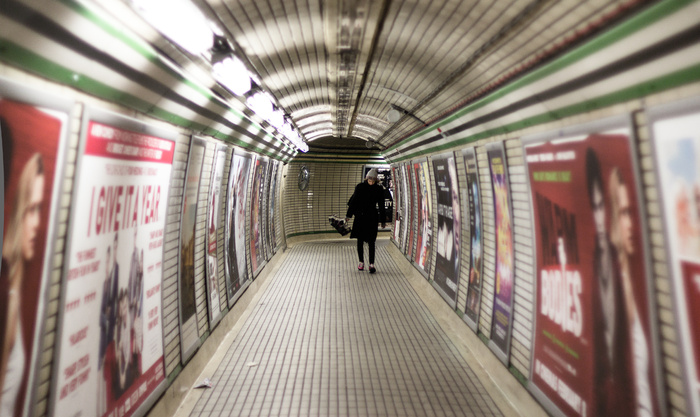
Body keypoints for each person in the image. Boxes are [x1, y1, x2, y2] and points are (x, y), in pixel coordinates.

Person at [586, 148, 636, 416]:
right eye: (594, 207)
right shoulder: (593, 264)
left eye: (602, 205)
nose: (599, 215)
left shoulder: (621, 265)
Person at [1, 153, 44, 417]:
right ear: (18, 213)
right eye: (32, 210)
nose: (37, 223)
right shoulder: (8, 299)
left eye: (40, 209)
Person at [608, 168, 654, 417]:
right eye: (624, 213)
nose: (631, 224)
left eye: (633, 212)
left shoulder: (635, 283)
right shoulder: (616, 286)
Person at [346, 169, 386, 274]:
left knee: (372, 241)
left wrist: (382, 220)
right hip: (360, 216)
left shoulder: (379, 189)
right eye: (370, 180)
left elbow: (381, 205)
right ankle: (361, 262)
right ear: (367, 178)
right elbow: (353, 201)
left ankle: (371, 264)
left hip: (372, 217)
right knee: (360, 240)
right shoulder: (360, 187)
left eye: (373, 180)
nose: (371, 182)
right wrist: (348, 215)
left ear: (376, 180)